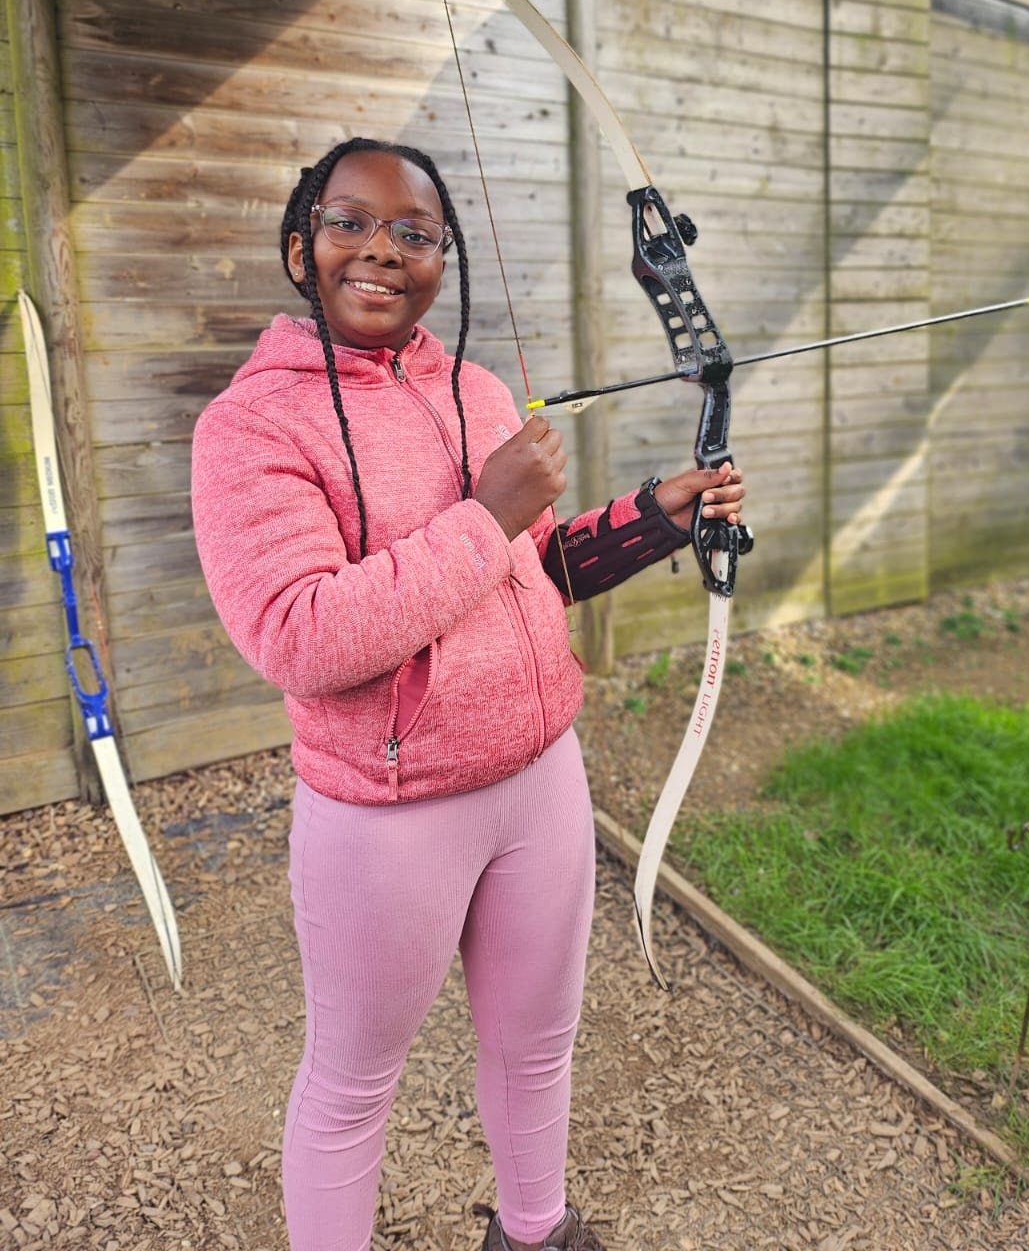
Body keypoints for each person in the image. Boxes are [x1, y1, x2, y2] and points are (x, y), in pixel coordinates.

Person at [191, 137, 746, 1251]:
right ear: (300, 247)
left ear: (444, 261)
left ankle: (536, 1232)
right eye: (350, 223)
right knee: (353, 1084)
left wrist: (656, 517)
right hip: (389, 814)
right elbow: (302, 636)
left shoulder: (478, 390)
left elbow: (534, 571)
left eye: (417, 233)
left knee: (537, 1046)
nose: (383, 250)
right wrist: (485, 513)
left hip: (540, 782)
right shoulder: (251, 427)